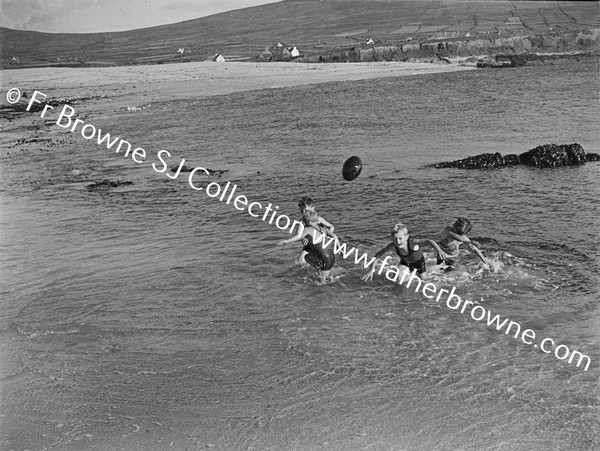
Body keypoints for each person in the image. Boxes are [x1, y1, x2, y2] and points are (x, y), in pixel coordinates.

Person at [362, 222, 446, 281]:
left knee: (423, 280)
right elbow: (378, 255)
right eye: (395, 239)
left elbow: (429, 241)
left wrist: (439, 250)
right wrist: (371, 270)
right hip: (405, 262)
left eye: (400, 238)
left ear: (406, 237)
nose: (397, 241)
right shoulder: (393, 246)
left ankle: (441, 276)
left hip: (418, 263)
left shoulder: (413, 243)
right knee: (399, 279)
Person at [278, 210, 336, 281]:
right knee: (326, 275)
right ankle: (328, 281)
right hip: (331, 257)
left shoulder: (308, 229)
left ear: (306, 222)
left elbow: (298, 236)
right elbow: (333, 236)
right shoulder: (322, 228)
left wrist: (287, 241)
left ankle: (323, 284)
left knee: (307, 257)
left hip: (324, 258)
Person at [296, 197, 337, 265]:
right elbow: (298, 233)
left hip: (320, 243)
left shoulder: (318, 219)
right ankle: (311, 271)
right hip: (310, 245)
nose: (303, 213)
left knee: (324, 261)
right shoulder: (301, 221)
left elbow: (331, 226)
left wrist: (328, 236)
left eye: (306, 211)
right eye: (301, 211)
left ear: (313, 208)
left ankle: (320, 268)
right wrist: (303, 239)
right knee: (300, 261)